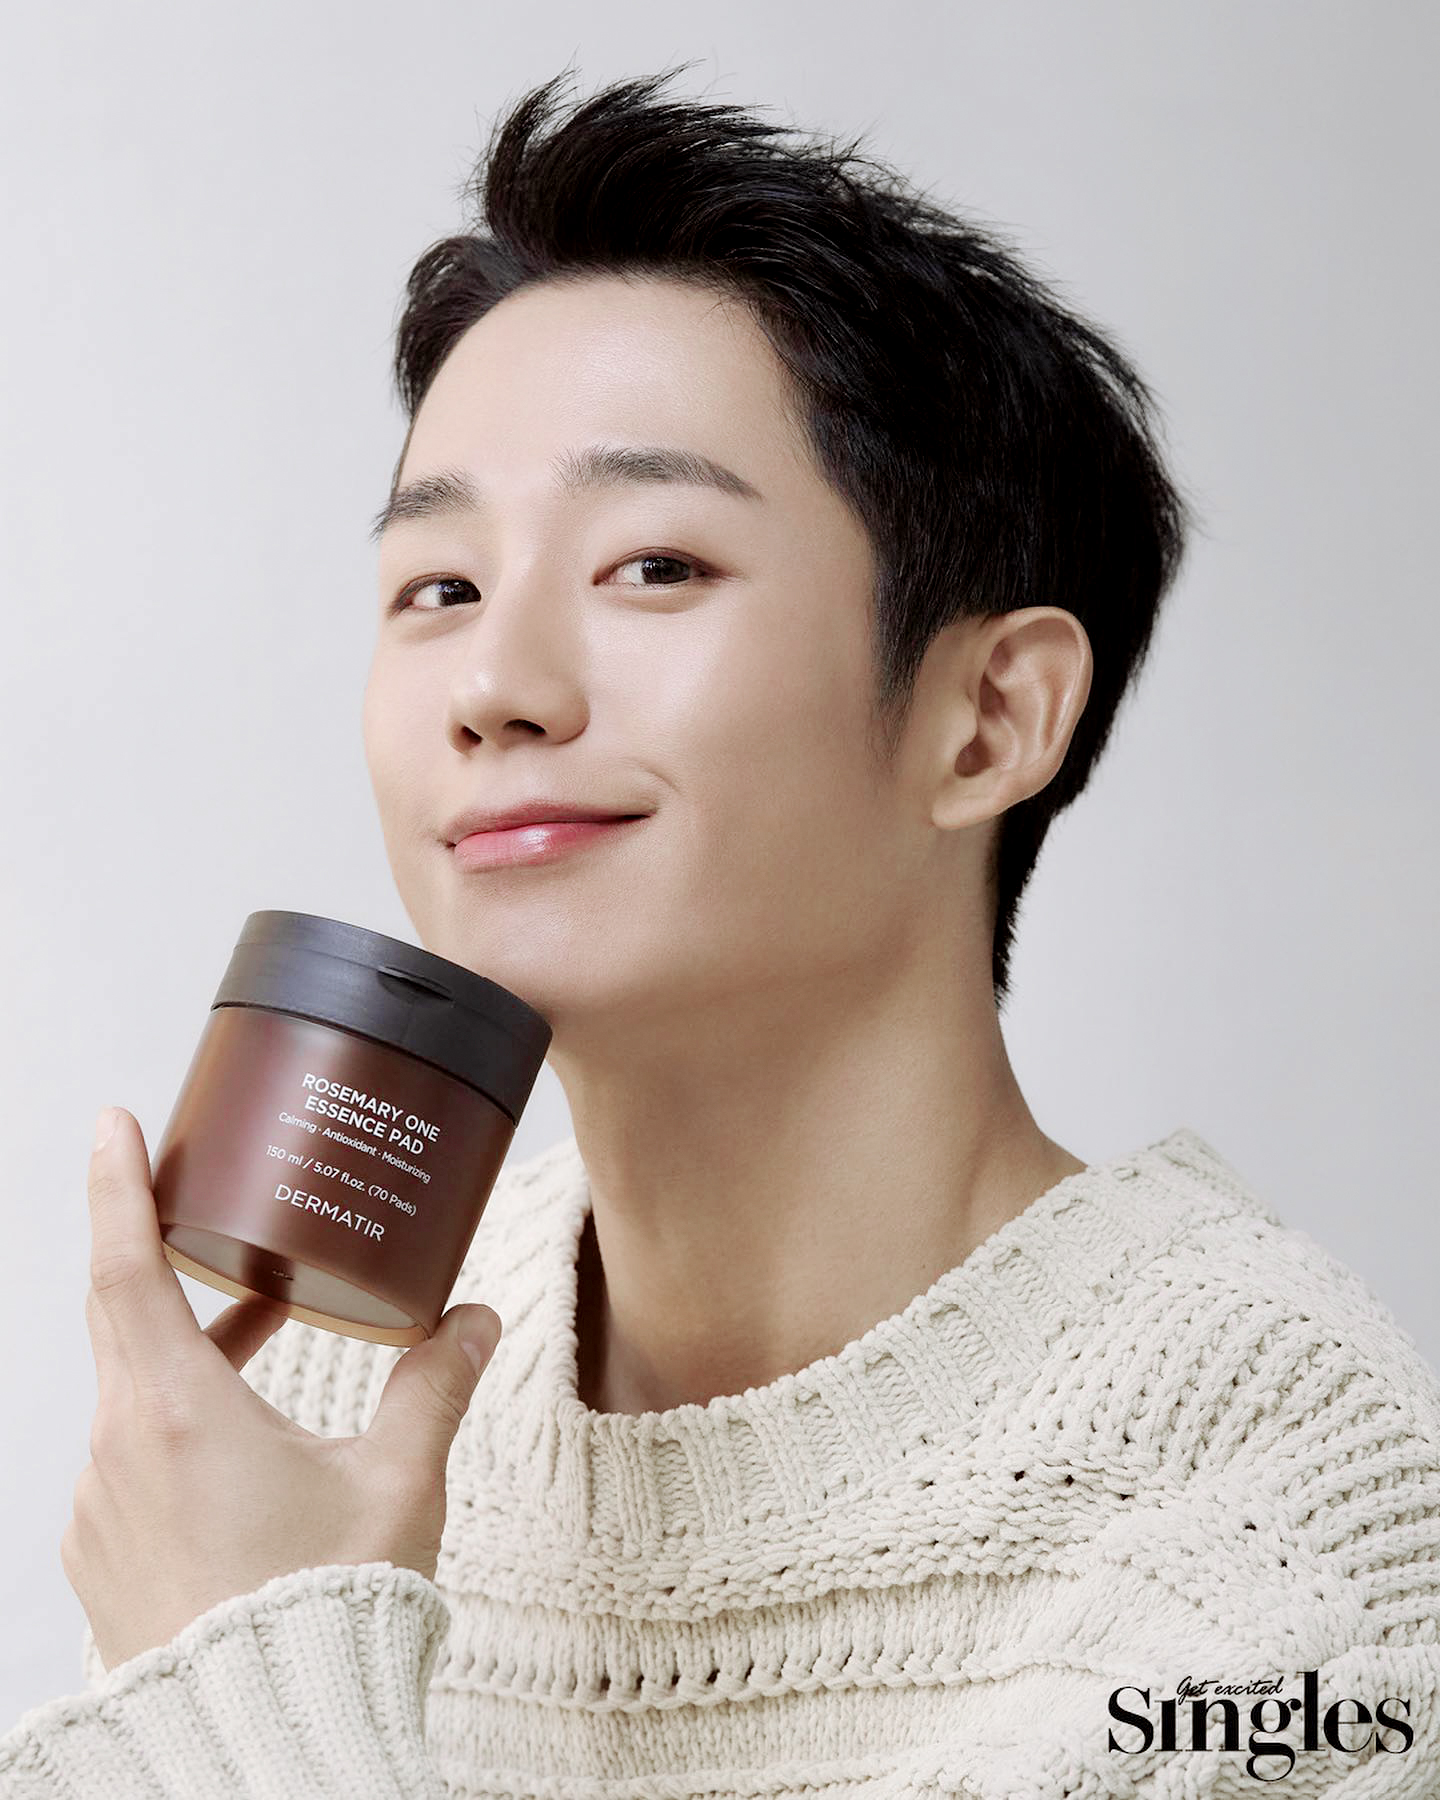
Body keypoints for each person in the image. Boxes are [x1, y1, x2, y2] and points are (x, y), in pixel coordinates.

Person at [4, 63, 1438, 1798]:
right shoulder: (318, 1379)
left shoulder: (1287, 1539)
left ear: (990, 719)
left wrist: (242, 1676)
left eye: (655, 567)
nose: (496, 688)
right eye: (440, 588)